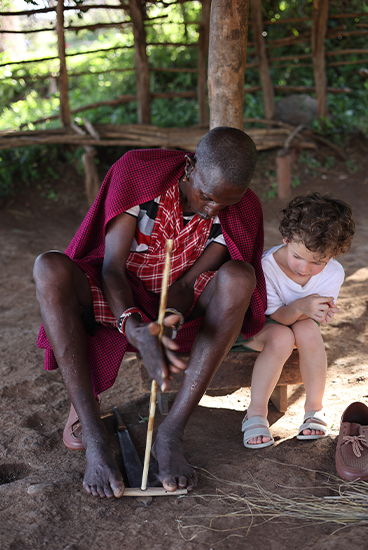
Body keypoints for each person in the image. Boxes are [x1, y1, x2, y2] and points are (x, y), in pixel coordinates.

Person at [33, 126, 267, 499]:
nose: (213, 210)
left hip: (180, 298)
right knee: (49, 268)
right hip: (117, 291)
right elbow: (111, 268)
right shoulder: (140, 175)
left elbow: (187, 285)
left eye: (226, 204)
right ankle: (94, 434)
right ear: (190, 166)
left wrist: (169, 320)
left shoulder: (240, 209)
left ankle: (172, 431)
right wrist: (133, 326)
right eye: (206, 197)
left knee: (240, 277)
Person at [239, 193, 355, 448]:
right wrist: (304, 306)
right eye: (298, 257)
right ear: (286, 239)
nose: (304, 268)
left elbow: (314, 317)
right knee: (282, 336)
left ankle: (315, 409)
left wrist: (316, 312)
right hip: (259, 325)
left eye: (317, 262)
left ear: (333, 255)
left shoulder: (333, 273)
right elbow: (274, 315)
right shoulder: (267, 266)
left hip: (295, 322)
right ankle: (256, 413)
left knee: (307, 331)